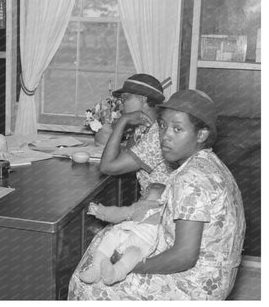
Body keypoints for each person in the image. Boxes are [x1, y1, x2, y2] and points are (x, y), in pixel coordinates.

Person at [68, 89, 246, 300]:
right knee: (111, 237)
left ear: (201, 135)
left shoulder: (192, 178)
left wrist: (131, 267)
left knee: (88, 284)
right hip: (217, 273)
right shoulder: (207, 162)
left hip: (196, 284)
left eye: (177, 129)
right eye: (163, 126)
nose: (165, 136)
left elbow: (184, 257)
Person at [79, 183, 166, 286]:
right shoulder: (154, 214)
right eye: (144, 192)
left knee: (133, 254)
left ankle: (114, 274)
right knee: (110, 237)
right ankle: (96, 269)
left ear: (162, 200)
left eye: (148, 192)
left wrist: (100, 211)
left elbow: (119, 213)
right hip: (126, 233)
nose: (143, 193)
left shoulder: (146, 207)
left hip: (142, 242)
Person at [100, 73, 171, 195]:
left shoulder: (156, 135)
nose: (122, 104)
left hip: (160, 207)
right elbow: (122, 156)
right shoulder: (145, 127)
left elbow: (107, 167)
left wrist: (122, 121)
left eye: (125, 98)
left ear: (143, 99)